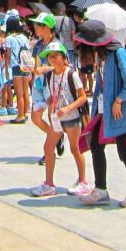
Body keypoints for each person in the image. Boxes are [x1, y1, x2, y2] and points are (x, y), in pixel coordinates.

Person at [75, 20, 126, 207]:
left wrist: (118, 100)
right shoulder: (104, 57)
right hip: (104, 110)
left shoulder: (119, 53)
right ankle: (100, 189)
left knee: (125, 149)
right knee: (96, 145)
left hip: (122, 111)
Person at [32, 40, 91, 197]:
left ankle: (83, 181)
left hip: (72, 118)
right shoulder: (51, 75)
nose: (53, 58)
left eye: (56, 56)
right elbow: (52, 95)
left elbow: (82, 97)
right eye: (50, 56)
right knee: (48, 147)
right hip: (57, 119)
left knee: (75, 148)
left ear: (64, 57)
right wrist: (46, 104)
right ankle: (49, 184)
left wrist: (67, 108)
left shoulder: (72, 74)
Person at [29, 12, 64, 167]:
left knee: (52, 116)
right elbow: (33, 61)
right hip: (38, 84)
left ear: (47, 27)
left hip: (52, 84)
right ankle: (57, 135)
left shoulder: (56, 45)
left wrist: (45, 69)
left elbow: (64, 66)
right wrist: (30, 68)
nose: (35, 27)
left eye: (38, 25)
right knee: (35, 117)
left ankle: (49, 150)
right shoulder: (37, 45)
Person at [4, 16, 31, 124]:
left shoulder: (9, 39)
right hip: (26, 65)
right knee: (25, 92)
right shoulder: (24, 37)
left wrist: (6, 69)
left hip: (16, 66)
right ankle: (24, 113)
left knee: (19, 93)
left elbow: (8, 55)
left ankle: (20, 116)